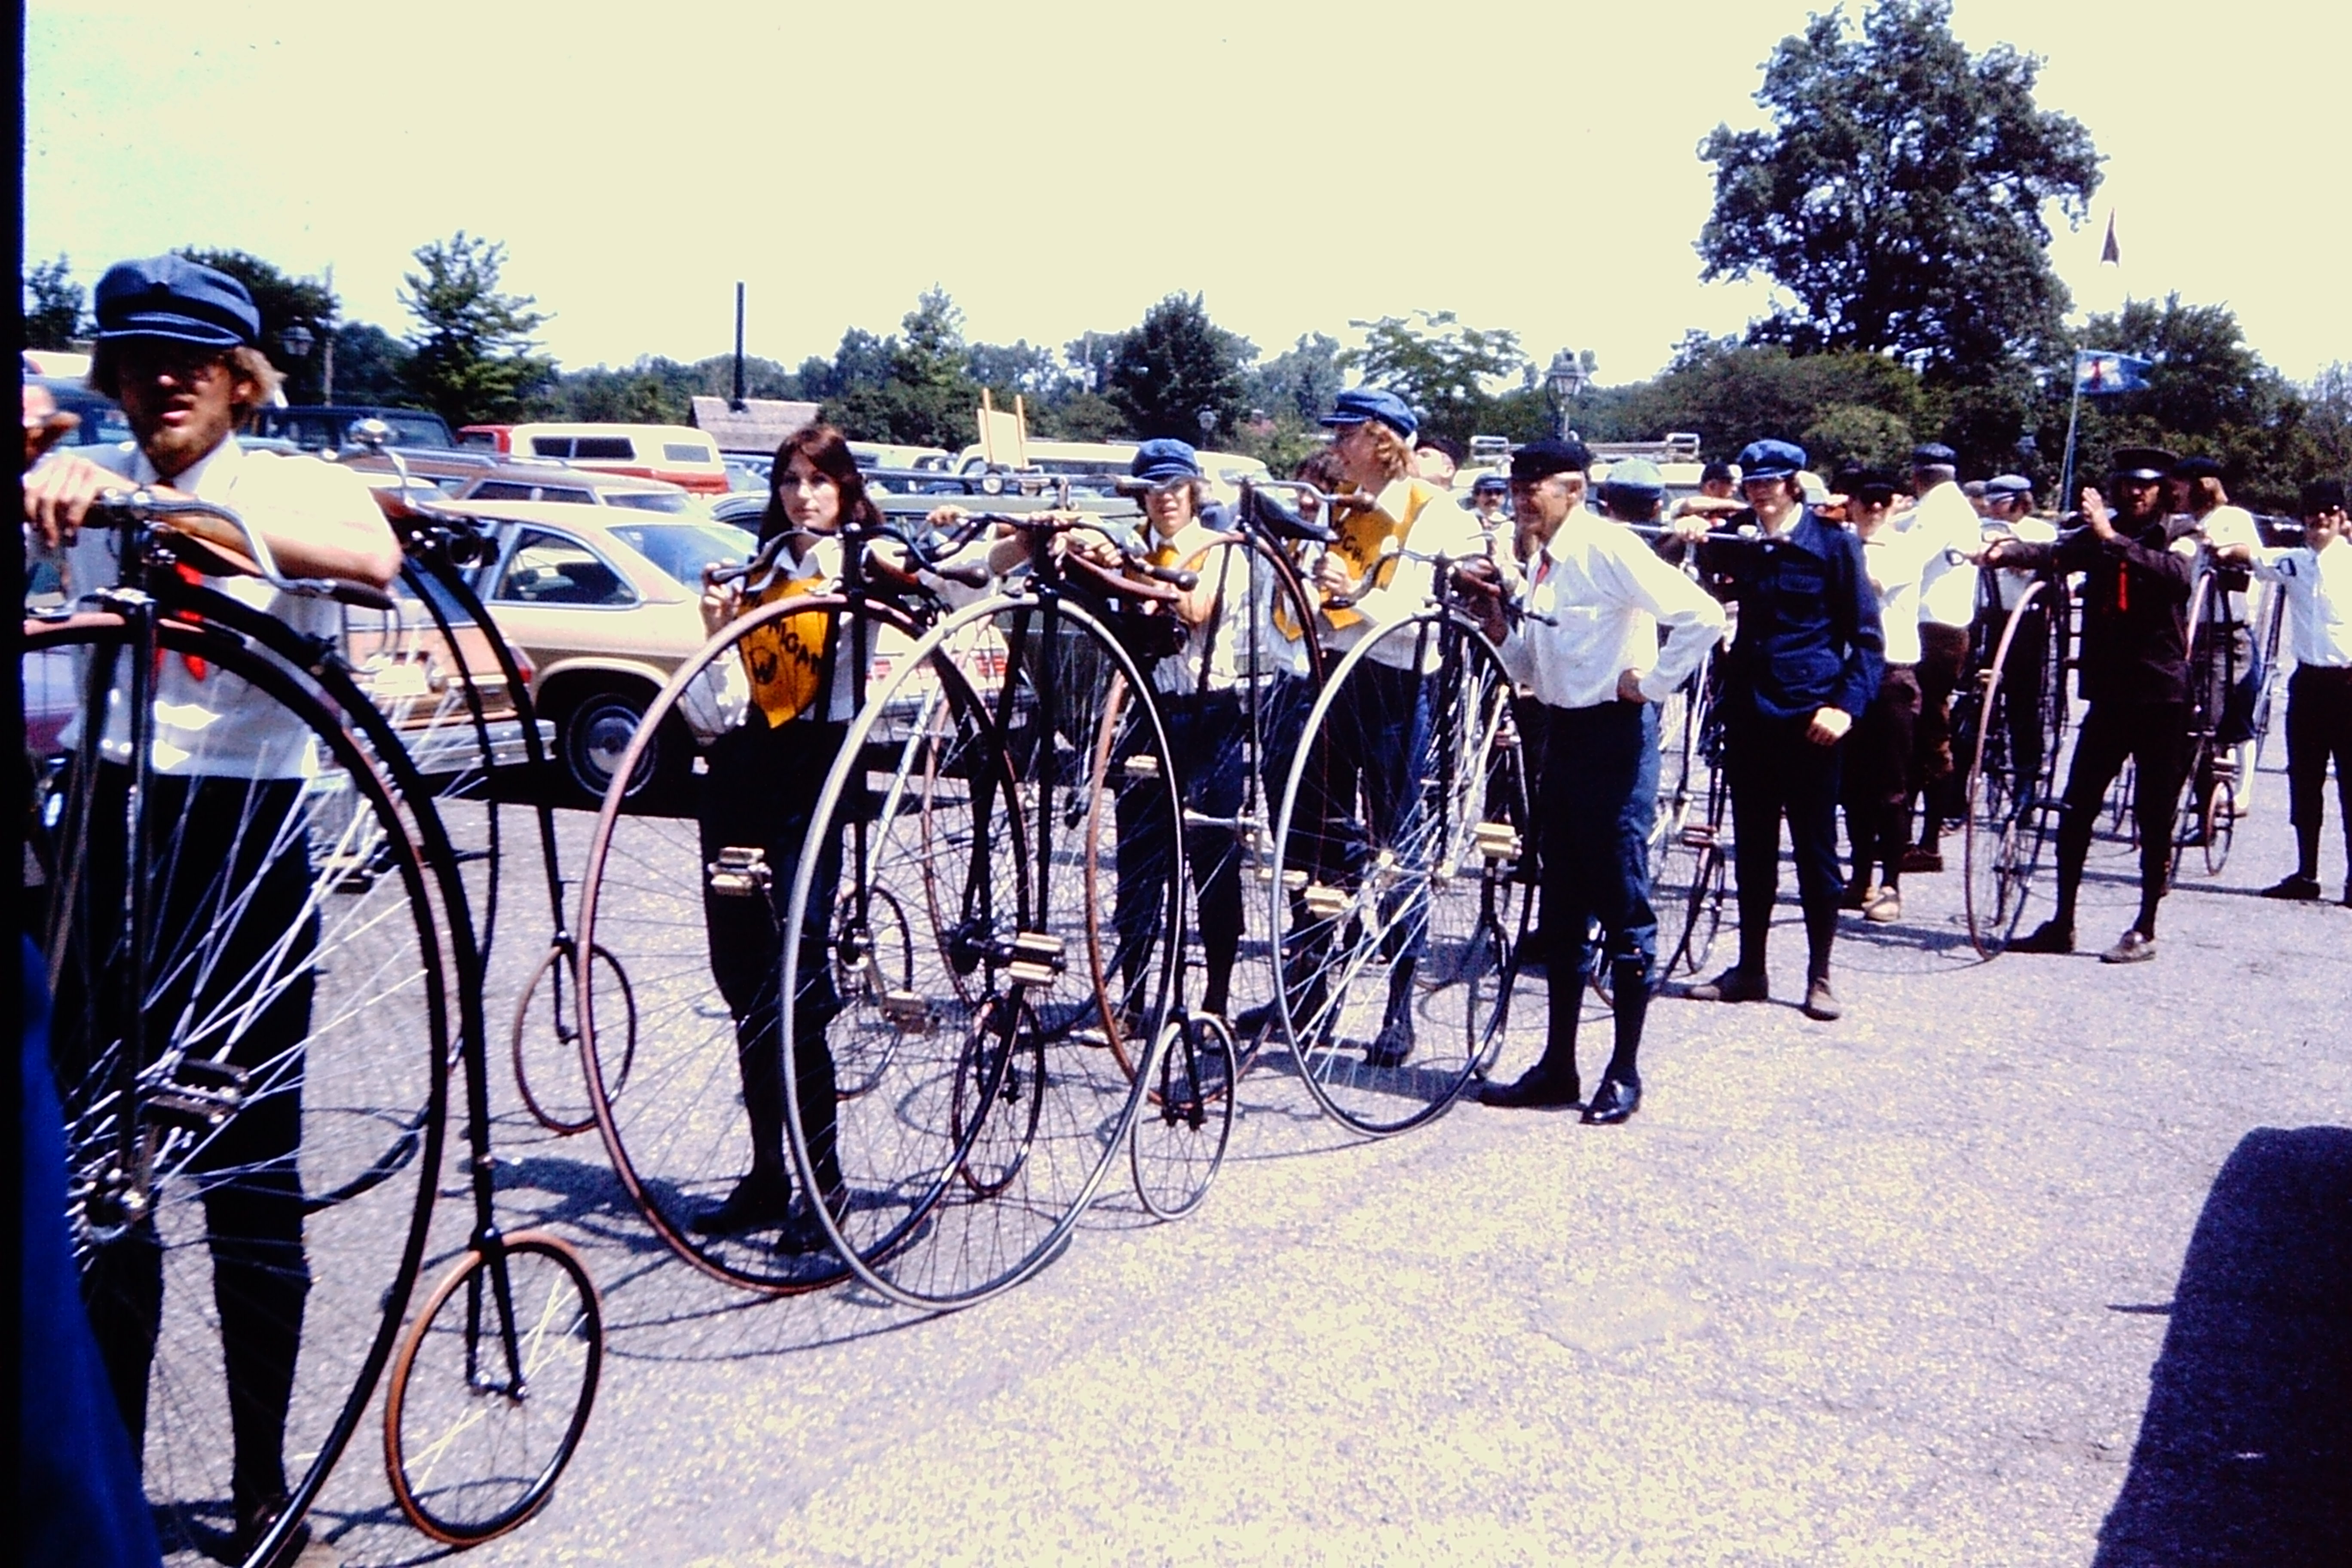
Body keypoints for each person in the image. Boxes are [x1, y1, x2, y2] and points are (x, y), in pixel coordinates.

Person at [22, 254, 400, 1558]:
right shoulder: (75, 488)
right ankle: (112, 1484)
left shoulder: (279, 480)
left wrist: (155, 510)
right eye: (139, 358)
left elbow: (371, 556)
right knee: (100, 1189)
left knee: (251, 1176)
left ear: (243, 380)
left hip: (238, 840)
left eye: (194, 359)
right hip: (107, 830)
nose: (164, 379)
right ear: (114, 376)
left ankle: (262, 1483)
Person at [1469, 440, 1725, 1121]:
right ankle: (1559, 1068)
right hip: (1563, 735)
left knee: (1622, 904)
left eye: (1539, 485)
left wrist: (1655, 684)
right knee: (1561, 910)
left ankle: (1625, 1071)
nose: (1525, 496)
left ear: (1576, 489)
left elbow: (1704, 616)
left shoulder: (1609, 547)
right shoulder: (1542, 563)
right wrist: (1499, 628)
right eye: (1518, 484)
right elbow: (1532, 667)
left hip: (1616, 733)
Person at [687, 424, 873, 1252]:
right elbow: (714, 710)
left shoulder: (866, 564)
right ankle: (768, 1174)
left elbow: (955, 582)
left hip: (814, 777)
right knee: (742, 979)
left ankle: (823, 1184)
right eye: (790, 480)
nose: (803, 495)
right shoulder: (758, 573)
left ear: (844, 488)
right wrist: (711, 630)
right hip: (739, 777)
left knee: (795, 990)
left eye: (819, 481)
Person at [1274, 387, 1487, 1066]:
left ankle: (1398, 1005)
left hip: (1392, 685)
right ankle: (1312, 988)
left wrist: (1352, 591)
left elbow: (1413, 613)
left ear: (1386, 439)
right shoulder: (1333, 504)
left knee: (1399, 844)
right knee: (1315, 842)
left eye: (1350, 434)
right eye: (1336, 434)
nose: (1337, 446)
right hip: (1323, 676)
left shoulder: (1435, 512)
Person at [1675, 439, 1883, 1020]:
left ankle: (1820, 974)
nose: (1760, 491)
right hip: (1749, 713)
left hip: (1810, 715)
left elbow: (1867, 640)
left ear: (1794, 483)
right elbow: (1683, 570)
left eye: (1771, 481)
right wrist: (1685, 535)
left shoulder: (1834, 545)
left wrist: (1845, 704)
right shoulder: (1738, 537)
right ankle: (1751, 968)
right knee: (1754, 851)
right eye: (1753, 482)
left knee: (1817, 852)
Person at [1988, 447, 2197, 963]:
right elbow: (2056, 555)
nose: (2135, 494)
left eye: (2145, 486)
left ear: (2162, 489)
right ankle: (2063, 922)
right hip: (2110, 695)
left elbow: (2176, 577)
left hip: (2161, 695)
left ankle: (2145, 925)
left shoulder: (2180, 536)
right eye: (2127, 485)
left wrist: (2110, 537)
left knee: (2154, 814)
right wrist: (2006, 552)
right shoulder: (2099, 536)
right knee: (2076, 809)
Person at [1106, 439, 1272, 1021]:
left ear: (1194, 490)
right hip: (1147, 713)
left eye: (1174, 488)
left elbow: (1196, 609)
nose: (1164, 500)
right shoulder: (1132, 546)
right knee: (1139, 861)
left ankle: (1216, 999)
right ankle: (1131, 998)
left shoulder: (1221, 547)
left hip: (1210, 715)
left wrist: (1131, 573)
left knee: (1212, 859)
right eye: (1151, 490)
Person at [2217, 478, 2352, 903]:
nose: (2321, 521)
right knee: (2304, 782)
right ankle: (2305, 873)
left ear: (2344, 518)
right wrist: (2216, 547)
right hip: (2309, 685)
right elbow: (2250, 556)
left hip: (2349, 685)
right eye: (2313, 514)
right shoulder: (2293, 562)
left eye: (2330, 512)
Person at [1835, 469, 1936, 923]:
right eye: (1865, 500)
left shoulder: (1905, 549)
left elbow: (1869, 586)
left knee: (1891, 790)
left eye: (1882, 500)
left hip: (1892, 674)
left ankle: (1892, 883)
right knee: (1853, 789)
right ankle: (1861, 878)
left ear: (1896, 503)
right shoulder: (1841, 542)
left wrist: (1835, 546)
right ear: (1850, 502)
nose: (1873, 509)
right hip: (1847, 674)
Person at [1899, 443, 1985, 873]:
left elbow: (1907, 557)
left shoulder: (1939, 511)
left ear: (1917, 476)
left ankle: (1928, 839)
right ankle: (1916, 836)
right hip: (1944, 630)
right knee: (1924, 731)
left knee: (1926, 732)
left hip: (1932, 632)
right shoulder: (1951, 505)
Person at [2173, 455, 2266, 814]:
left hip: (2227, 631)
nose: (2174, 491)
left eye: (2180, 484)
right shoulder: (2184, 523)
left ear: (2200, 485)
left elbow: (2249, 556)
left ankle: (2228, 795)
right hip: (2189, 631)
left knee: (2220, 716)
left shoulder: (2231, 520)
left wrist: (2223, 551)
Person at [1671, 459, 1744, 525]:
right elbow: (1691, 505)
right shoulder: (1679, 504)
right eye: (1728, 483)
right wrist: (1734, 505)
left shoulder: (1730, 512)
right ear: (1711, 485)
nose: (1735, 489)